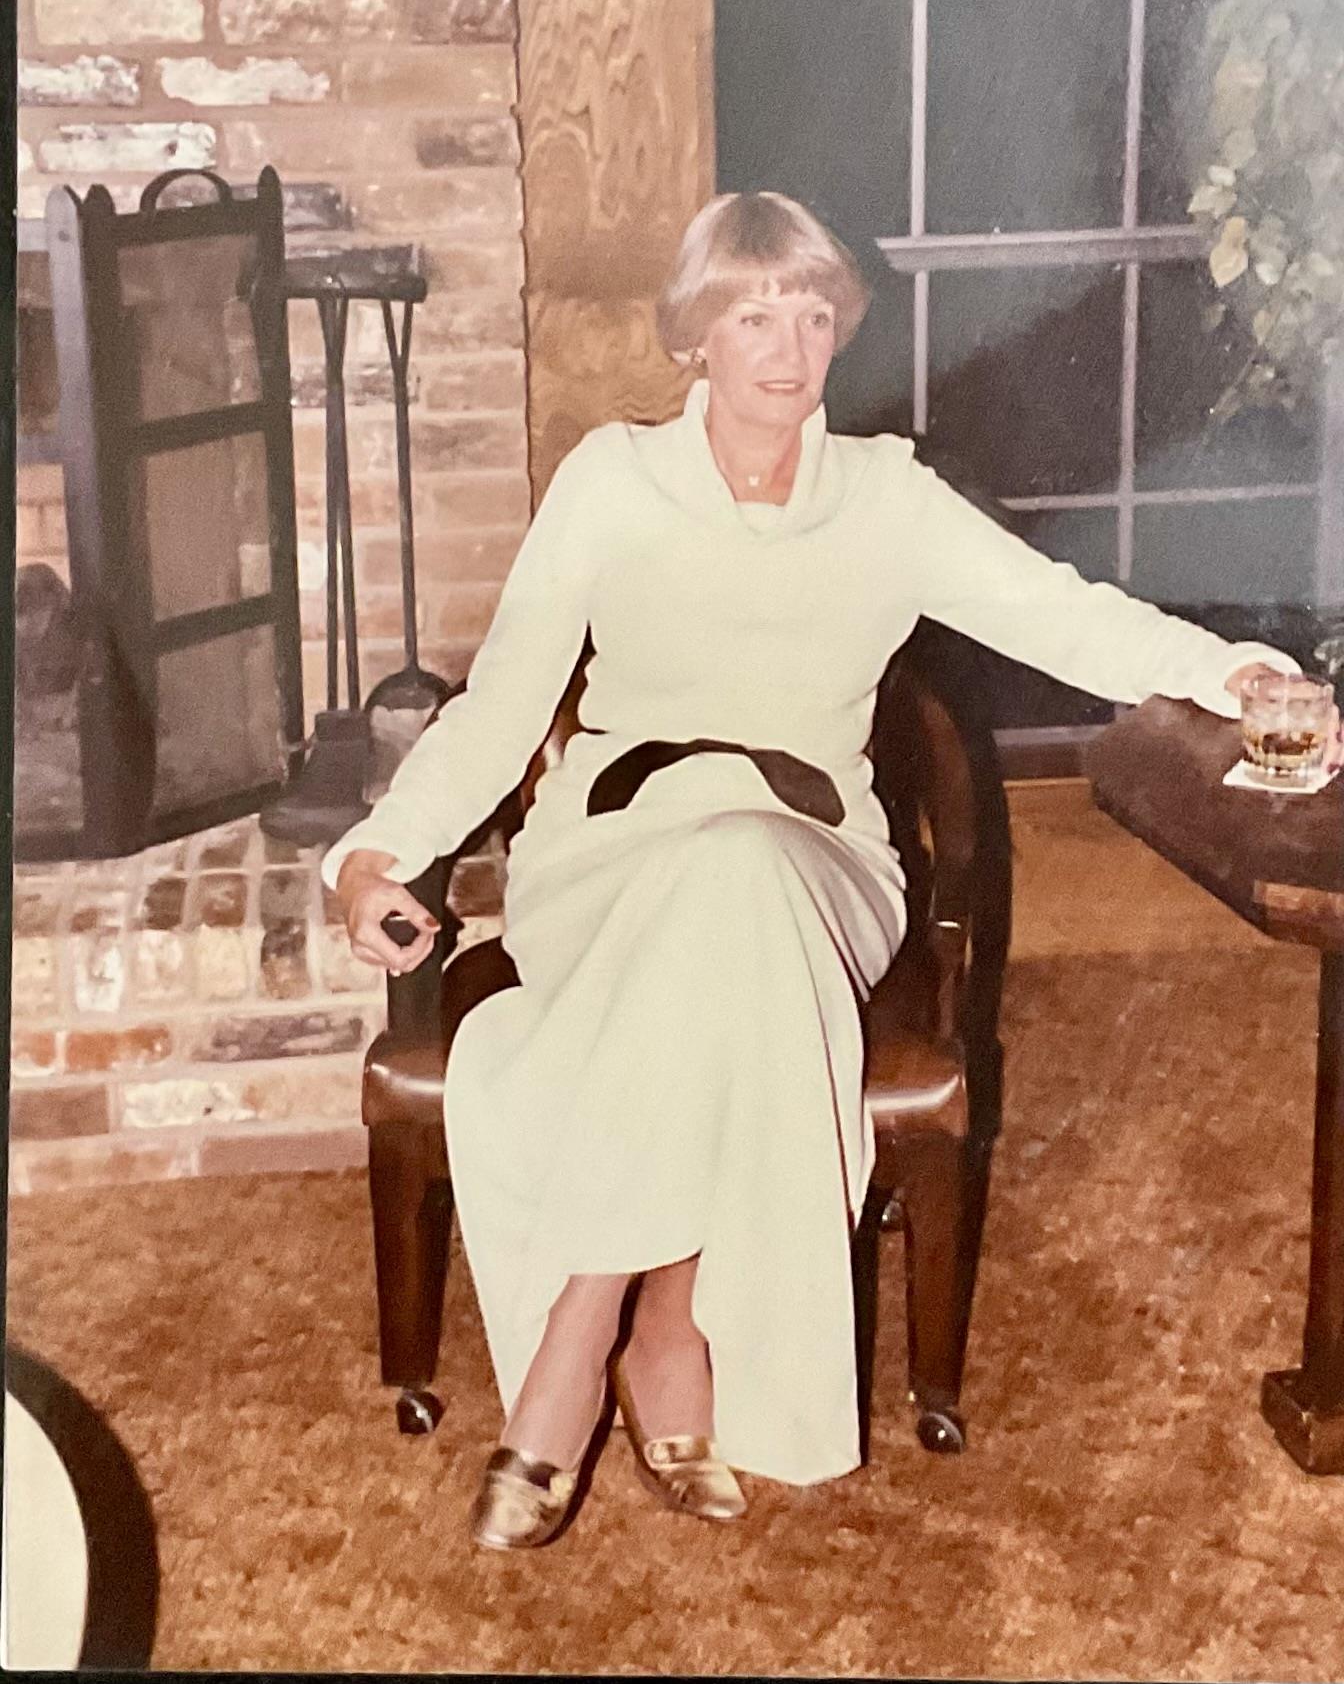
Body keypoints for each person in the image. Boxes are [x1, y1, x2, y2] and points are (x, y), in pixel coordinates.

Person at [323, 191, 1339, 1551]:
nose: (786, 345)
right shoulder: (612, 482)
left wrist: (1234, 667)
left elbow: (1062, 615)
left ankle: (586, 1323)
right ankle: (666, 1327)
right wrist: (371, 852)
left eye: (811, 313)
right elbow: (502, 708)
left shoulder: (885, 498)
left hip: (814, 859)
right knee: (710, 899)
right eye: (752, 313)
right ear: (695, 335)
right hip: (611, 850)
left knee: (743, 872)